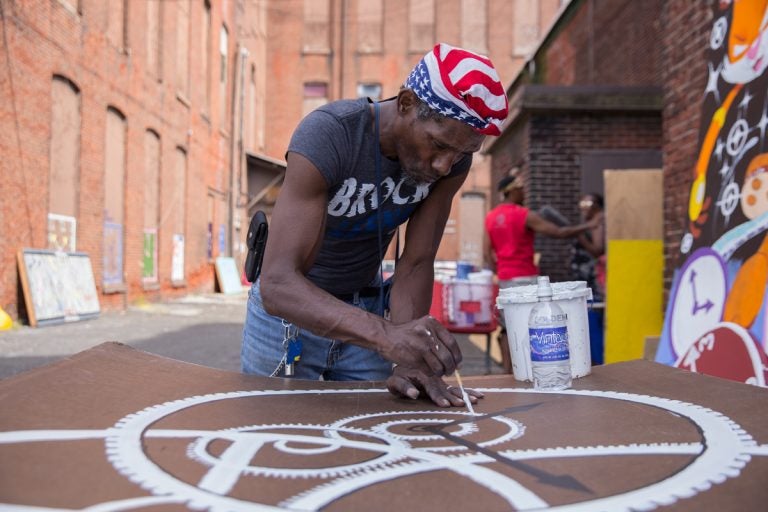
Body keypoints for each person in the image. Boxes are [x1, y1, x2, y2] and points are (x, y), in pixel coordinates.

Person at [241, 43, 509, 408]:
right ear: (405, 103)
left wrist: (410, 358)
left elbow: (416, 261)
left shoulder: (450, 161)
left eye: (463, 154)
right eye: (439, 144)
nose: (445, 165)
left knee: (373, 439)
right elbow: (278, 283)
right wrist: (386, 336)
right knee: (274, 433)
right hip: (288, 320)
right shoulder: (330, 135)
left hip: (366, 311)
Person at [484, 170, 601, 373]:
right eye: (521, 189)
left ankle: (509, 371)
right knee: (533, 326)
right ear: (513, 191)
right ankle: (534, 370)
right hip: (526, 279)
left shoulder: (491, 217)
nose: (524, 193)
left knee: (508, 326)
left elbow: (487, 253)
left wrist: (501, 271)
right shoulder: (523, 214)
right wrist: (588, 226)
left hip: (505, 279)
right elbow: (557, 232)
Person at [571, 193, 606, 302]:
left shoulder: (597, 224)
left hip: (592, 276)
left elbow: (597, 251)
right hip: (584, 274)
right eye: (582, 202)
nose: (584, 206)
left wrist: (580, 236)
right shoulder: (590, 223)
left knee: (592, 307)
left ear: (598, 206)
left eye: (588, 203)